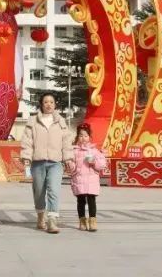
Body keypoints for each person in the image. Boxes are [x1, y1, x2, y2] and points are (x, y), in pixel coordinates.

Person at [20, 92, 75, 234]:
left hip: (55, 162)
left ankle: (52, 220)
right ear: (41, 104)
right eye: (46, 102)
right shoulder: (33, 121)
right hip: (38, 162)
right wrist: (26, 157)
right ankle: (40, 216)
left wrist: (68, 158)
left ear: (55, 105)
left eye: (51, 102)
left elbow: (66, 141)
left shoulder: (61, 121)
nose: (49, 104)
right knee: (39, 192)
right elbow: (27, 141)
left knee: (54, 190)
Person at [69, 123, 107, 232]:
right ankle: (82, 221)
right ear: (77, 137)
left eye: (85, 136)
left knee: (91, 200)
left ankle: (92, 221)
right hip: (79, 179)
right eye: (81, 135)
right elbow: (70, 166)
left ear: (89, 137)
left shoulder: (94, 151)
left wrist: (93, 162)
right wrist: (71, 165)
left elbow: (102, 164)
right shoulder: (74, 151)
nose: (83, 138)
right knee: (80, 201)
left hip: (91, 180)